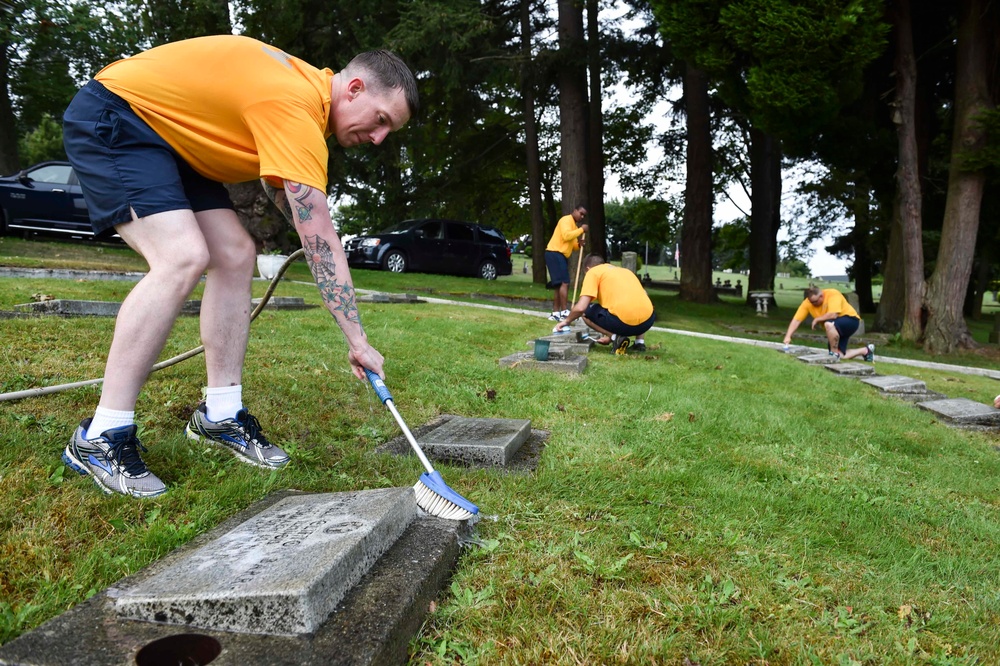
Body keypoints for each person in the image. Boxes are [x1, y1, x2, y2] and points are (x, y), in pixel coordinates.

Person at [59, 35, 418, 498]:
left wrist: (311, 233)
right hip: (120, 116)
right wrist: (358, 340)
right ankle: (101, 436)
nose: (378, 138)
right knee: (182, 256)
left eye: (389, 131)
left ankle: (220, 415)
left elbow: (281, 192)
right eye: (381, 120)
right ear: (353, 89)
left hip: (175, 145)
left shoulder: (303, 98)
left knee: (235, 255)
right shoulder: (295, 103)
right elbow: (321, 237)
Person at [554, 255, 656, 353]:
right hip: (648, 321)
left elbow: (581, 308)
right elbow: (644, 295)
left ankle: (615, 338)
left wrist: (566, 321)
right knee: (637, 302)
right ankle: (639, 343)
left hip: (624, 324)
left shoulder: (593, 272)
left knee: (586, 312)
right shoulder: (626, 271)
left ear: (588, 269)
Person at [783, 286, 874, 362]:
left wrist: (817, 319)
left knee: (829, 324)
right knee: (841, 355)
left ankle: (833, 354)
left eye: (815, 301)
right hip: (835, 327)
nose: (813, 304)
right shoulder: (807, 303)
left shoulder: (832, 294)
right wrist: (788, 336)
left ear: (821, 296)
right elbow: (796, 320)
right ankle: (865, 351)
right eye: (811, 302)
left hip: (851, 321)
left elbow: (833, 314)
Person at [544, 206, 588, 321]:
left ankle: (555, 313)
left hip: (560, 255)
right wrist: (581, 230)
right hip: (555, 253)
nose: (582, 217)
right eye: (581, 213)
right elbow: (566, 235)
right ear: (574, 211)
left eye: (584, 215)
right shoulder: (566, 220)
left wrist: (579, 245)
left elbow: (572, 244)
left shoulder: (573, 225)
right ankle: (564, 311)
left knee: (559, 284)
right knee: (565, 282)